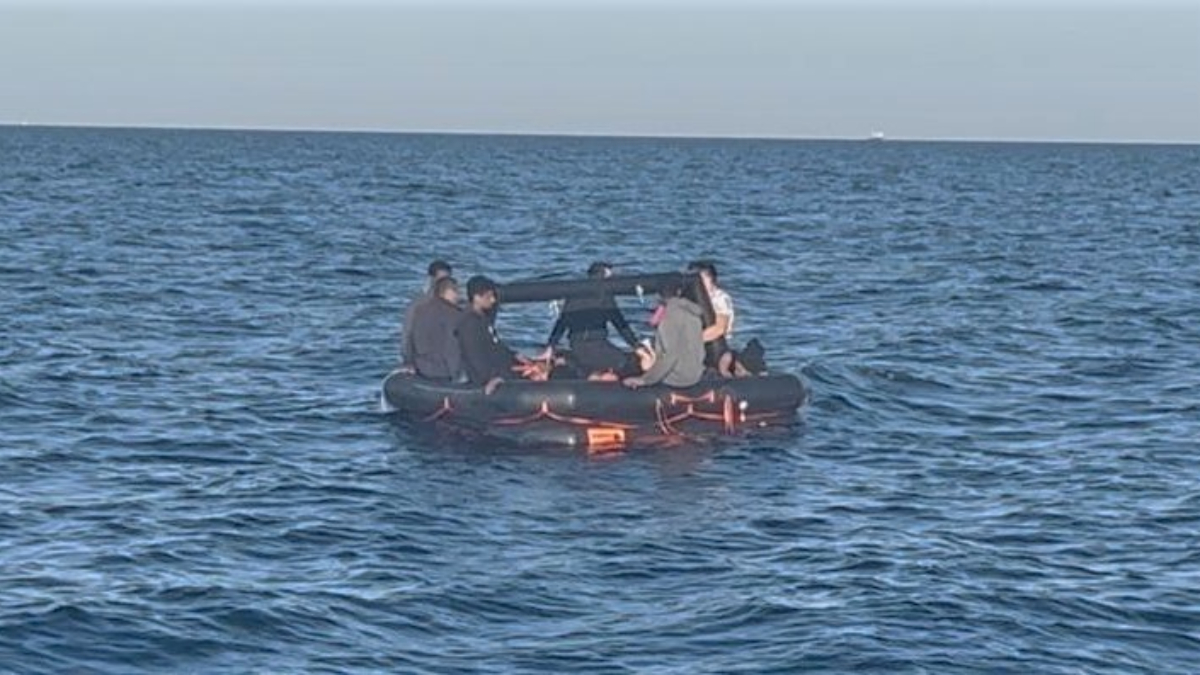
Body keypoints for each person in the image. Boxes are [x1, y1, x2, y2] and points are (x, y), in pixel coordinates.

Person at [538, 261, 643, 378]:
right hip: (596, 345)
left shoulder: (575, 293)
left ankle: (580, 368)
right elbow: (620, 324)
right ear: (604, 275)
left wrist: (551, 345)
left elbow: (562, 322)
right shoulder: (605, 295)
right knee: (626, 363)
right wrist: (636, 345)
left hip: (576, 345)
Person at [456, 275, 546, 394]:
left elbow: (496, 345)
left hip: (502, 369)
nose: (493, 300)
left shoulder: (483, 319)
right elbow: (474, 356)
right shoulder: (469, 324)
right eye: (489, 297)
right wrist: (491, 378)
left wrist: (514, 356)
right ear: (477, 297)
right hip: (489, 377)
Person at [623, 277, 705, 389]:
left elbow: (671, 355)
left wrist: (645, 380)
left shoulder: (669, 317)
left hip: (679, 379)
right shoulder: (692, 314)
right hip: (696, 374)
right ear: (679, 292)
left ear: (659, 295)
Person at [687, 259, 738, 377]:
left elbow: (719, 328)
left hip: (717, 347)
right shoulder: (690, 298)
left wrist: (690, 341)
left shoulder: (720, 298)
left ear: (711, 279)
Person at [408, 276, 463, 381]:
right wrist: (456, 376)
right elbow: (451, 348)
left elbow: (410, 339)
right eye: (456, 291)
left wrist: (409, 362)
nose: (458, 296)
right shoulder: (453, 314)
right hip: (442, 372)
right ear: (448, 291)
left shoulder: (420, 310)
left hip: (420, 368)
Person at [401, 259, 453, 366]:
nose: (443, 284)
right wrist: (408, 362)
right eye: (440, 280)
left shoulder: (453, 305)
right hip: (424, 361)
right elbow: (407, 336)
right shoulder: (417, 306)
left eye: (447, 280)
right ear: (431, 279)